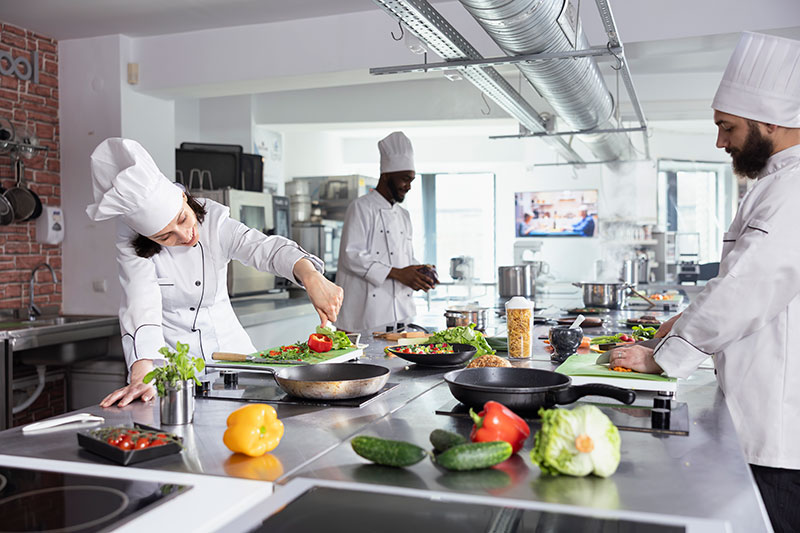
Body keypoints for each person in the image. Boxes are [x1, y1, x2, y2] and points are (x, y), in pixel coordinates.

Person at [606, 32, 800, 532]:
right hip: (764, 416)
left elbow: (750, 286)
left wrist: (663, 356)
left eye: (727, 127)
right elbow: (744, 280)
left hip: (779, 434)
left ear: (771, 121)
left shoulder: (793, 188)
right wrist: (680, 322)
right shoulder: (777, 182)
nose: (720, 142)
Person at [86, 138, 343, 407]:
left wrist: (311, 275)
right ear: (148, 237)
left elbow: (264, 248)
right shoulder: (132, 245)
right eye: (165, 236)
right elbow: (140, 304)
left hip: (236, 361)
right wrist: (141, 375)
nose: (184, 235)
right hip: (176, 372)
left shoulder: (214, 223)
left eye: (183, 219)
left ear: (183, 198)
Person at [335, 131, 435, 332]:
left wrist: (420, 271)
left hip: (400, 313)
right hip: (364, 315)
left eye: (411, 180)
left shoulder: (403, 215)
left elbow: (404, 257)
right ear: (387, 175)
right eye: (404, 179)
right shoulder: (361, 207)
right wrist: (399, 274)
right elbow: (351, 256)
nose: (408, 186)